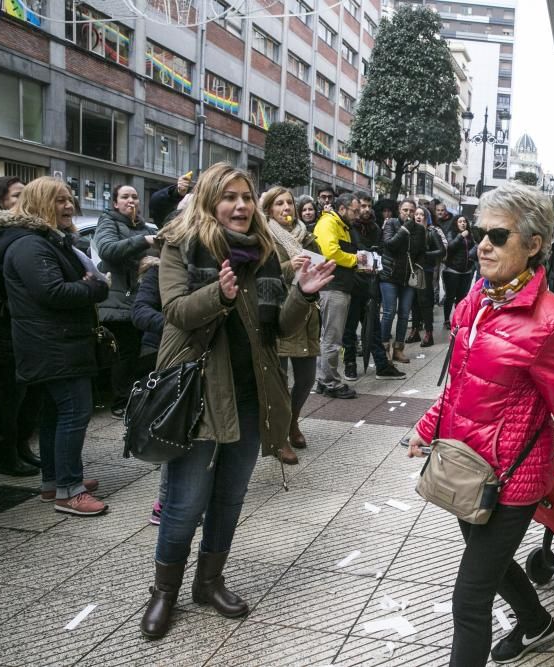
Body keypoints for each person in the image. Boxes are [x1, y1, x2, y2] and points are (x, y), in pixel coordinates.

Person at [408, 182, 554, 665]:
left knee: (469, 600)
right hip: (465, 466)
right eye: (482, 233)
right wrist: (429, 424)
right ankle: (538, 623)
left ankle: (530, 625)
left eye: (498, 236)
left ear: (534, 244)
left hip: (512, 480)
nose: (483, 244)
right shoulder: (478, 299)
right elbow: (461, 383)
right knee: (495, 568)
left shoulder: (552, 324)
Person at [140, 163, 334, 639]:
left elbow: (279, 328)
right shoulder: (181, 246)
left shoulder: (266, 253)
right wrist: (219, 294)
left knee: (229, 497)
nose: (242, 205)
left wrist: (303, 296)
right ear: (209, 200)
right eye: (229, 197)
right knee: (185, 501)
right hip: (200, 392)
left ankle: (209, 582)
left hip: (253, 393)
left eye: (247, 196)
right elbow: (176, 313)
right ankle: (164, 591)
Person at [0, 177, 110, 514]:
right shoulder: (30, 244)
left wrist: (87, 284)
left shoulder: (42, 240)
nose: (69, 206)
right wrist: (94, 288)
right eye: (60, 200)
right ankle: (69, 491)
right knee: (74, 413)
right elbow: (53, 292)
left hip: (54, 343)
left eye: (70, 199)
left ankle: (54, 482)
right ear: (41, 203)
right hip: (53, 345)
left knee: (56, 414)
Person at [262, 186, 321, 463]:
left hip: (307, 313)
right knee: (279, 381)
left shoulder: (305, 235)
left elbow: (321, 263)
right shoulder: (264, 236)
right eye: (279, 204)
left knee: (307, 377)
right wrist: (290, 267)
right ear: (269, 209)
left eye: (289, 203)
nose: (286, 208)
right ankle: (280, 436)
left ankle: (293, 420)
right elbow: (263, 273)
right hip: (280, 311)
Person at [0, 176, 41, 476]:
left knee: (30, 389)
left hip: (24, 322)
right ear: (0, 201)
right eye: (16, 196)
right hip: (0, 323)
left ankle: (22, 446)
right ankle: (5, 455)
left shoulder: (27, 233)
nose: (23, 202)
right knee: (13, 390)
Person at [95, 185, 156, 417]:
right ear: (115, 203)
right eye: (125, 197)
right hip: (117, 301)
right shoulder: (108, 221)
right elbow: (108, 250)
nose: (131, 201)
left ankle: (132, 396)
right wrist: (145, 241)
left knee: (135, 354)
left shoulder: (144, 227)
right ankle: (120, 401)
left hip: (140, 300)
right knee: (124, 353)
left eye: (135, 197)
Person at [342, 195, 406, 382]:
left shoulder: (376, 228)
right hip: (353, 284)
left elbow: (380, 251)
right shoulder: (349, 228)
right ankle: (350, 363)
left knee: (374, 328)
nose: (366, 209)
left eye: (369, 206)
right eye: (362, 205)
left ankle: (381, 365)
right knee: (350, 328)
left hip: (371, 283)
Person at [313, 193, 363, 399]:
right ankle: (330, 382)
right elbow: (330, 252)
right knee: (331, 338)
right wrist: (355, 259)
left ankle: (324, 379)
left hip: (340, 287)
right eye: (355, 210)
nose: (357, 215)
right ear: (342, 209)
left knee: (330, 337)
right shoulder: (328, 223)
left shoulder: (341, 226)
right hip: (332, 288)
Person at [131, 254, 167, 524]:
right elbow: (141, 312)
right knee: (172, 426)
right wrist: (178, 324)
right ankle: (164, 504)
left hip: (199, 352)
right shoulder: (158, 271)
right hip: (160, 352)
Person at [379, 199, 425, 363]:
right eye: (405, 210)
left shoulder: (420, 229)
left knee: (405, 314)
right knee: (389, 312)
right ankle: (384, 349)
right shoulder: (391, 223)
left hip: (408, 278)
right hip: (389, 275)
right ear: (399, 210)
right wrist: (405, 229)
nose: (409, 213)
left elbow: (422, 251)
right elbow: (389, 245)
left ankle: (398, 349)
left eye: (412, 211)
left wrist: (417, 265)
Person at [406, 207, 446, 347]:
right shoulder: (409, 231)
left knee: (425, 302)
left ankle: (429, 333)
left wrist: (425, 255)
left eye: (421, 214)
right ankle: (415, 331)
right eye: (416, 214)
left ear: (426, 217)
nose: (418, 216)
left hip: (425, 270)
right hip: (410, 270)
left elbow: (442, 250)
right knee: (414, 302)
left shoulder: (431, 232)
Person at [442, 215, 474, 330]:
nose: (463, 223)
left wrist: (471, 259)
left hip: (466, 272)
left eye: (464, 221)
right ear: (456, 223)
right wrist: (460, 236)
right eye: (460, 222)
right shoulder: (451, 233)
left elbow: (474, 248)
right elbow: (450, 247)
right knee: (450, 297)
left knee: (461, 298)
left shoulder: (470, 235)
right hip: (452, 271)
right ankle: (446, 319)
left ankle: (458, 319)